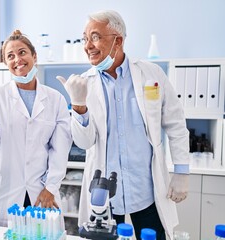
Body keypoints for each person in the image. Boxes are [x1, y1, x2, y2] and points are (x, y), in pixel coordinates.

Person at [56, 10, 190, 240]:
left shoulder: (150, 73)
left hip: (147, 192)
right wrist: (78, 105)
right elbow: (84, 141)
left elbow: (175, 123)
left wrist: (181, 171)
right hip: (104, 197)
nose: (88, 45)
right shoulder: (85, 83)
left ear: (118, 40)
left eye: (95, 37)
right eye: (84, 38)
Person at [0, 30, 72, 226]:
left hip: (39, 190)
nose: (17, 59)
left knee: (42, 234)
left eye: (22, 52)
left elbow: (60, 149)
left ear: (34, 56)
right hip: (2, 191)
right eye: (10, 56)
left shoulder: (55, 99)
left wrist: (51, 186)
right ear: (6, 63)